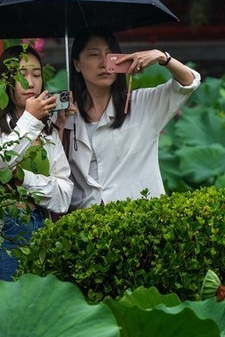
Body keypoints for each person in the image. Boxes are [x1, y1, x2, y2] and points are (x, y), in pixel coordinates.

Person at [64, 28, 199, 209]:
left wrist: (161, 58)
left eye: (110, 55)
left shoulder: (141, 104)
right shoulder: (67, 115)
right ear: (77, 64)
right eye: (94, 55)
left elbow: (188, 83)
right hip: (87, 225)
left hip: (138, 221)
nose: (104, 63)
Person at [0, 45, 72, 280]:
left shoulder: (48, 131)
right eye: (22, 75)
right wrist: (30, 119)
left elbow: (64, 196)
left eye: (37, 74)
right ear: (5, 81)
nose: (31, 83)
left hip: (41, 227)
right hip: (3, 228)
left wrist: (24, 179)